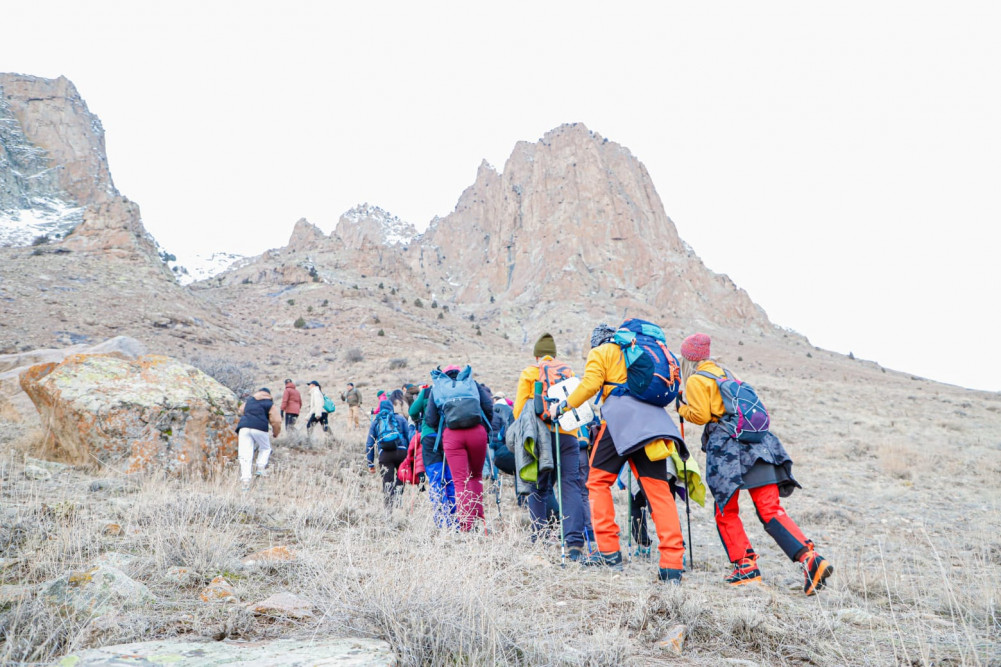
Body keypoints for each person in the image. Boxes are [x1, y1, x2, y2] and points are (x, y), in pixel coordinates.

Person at [677, 333, 833, 595]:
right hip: (760, 447)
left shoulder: (695, 380)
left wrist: (682, 408)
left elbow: (701, 415)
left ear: (687, 358)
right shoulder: (726, 373)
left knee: (726, 509)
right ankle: (809, 558)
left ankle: (745, 566)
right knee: (770, 510)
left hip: (728, 452)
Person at [557, 323, 688, 583]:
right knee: (659, 492)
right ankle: (672, 564)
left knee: (597, 482)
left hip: (620, 421)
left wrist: (564, 406)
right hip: (653, 423)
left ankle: (608, 552)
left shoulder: (602, 352)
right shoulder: (636, 350)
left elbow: (591, 384)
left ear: (597, 341)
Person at [513, 333, 593, 563]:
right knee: (571, 486)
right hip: (568, 435)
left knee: (539, 486)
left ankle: (539, 539)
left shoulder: (530, 372)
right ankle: (575, 544)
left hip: (541, 437)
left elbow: (519, 411)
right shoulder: (569, 372)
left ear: (537, 355)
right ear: (555, 354)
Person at [425, 365, 493, 532]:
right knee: (476, 475)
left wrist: (444, 428)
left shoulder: (439, 387)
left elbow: (430, 418)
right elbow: (489, 407)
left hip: (452, 436)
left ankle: (465, 525)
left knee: (459, 481)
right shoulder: (472, 384)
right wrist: (483, 426)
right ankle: (479, 520)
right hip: (477, 433)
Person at [410, 383, 455, 525]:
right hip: (449, 437)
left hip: (429, 437)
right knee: (450, 479)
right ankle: (455, 519)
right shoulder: (453, 390)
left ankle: (441, 520)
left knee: (436, 479)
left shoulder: (427, 391)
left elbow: (412, 411)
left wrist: (419, 419)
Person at [235, 387, 282, 490]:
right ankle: (260, 467)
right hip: (260, 427)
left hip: (243, 427)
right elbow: (277, 421)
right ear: (268, 394)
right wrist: (275, 433)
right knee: (266, 448)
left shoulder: (249, 401)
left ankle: (245, 482)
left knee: (245, 455)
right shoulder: (269, 404)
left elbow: (241, 410)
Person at [367, 399, 410, 507]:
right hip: (401, 452)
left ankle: (388, 508)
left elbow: (369, 443)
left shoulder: (376, 422)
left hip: (385, 454)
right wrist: (410, 455)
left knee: (387, 481)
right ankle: (398, 498)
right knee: (401, 477)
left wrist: (370, 463)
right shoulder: (400, 419)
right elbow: (409, 436)